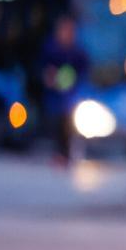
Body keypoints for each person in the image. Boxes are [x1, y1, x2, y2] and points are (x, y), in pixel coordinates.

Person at [35, 15, 88, 163]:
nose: (68, 33)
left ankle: (70, 152)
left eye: (71, 30)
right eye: (65, 29)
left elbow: (84, 72)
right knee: (57, 124)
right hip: (54, 98)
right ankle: (60, 154)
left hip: (72, 97)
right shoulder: (50, 49)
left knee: (70, 125)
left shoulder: (78, 52)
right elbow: (41, 70)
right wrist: (47, 76)